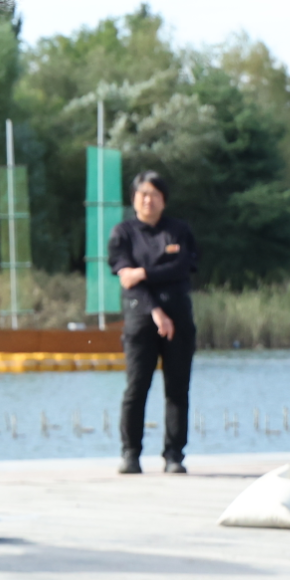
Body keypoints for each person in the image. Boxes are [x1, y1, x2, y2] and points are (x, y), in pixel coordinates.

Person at [108, 170, 199, 476]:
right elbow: (126, 279)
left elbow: (183, 266)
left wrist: (144, 273)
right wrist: (156, 311)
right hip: (140, 317)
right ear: (134, 198)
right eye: (143, 194)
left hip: (179, 317)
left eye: (155, 195)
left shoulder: (179, 230)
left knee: (177, 389)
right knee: (136, 388)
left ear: (164, 200)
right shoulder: (123, 233)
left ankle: (174, 455)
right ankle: (130, 453)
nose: (149, 200)